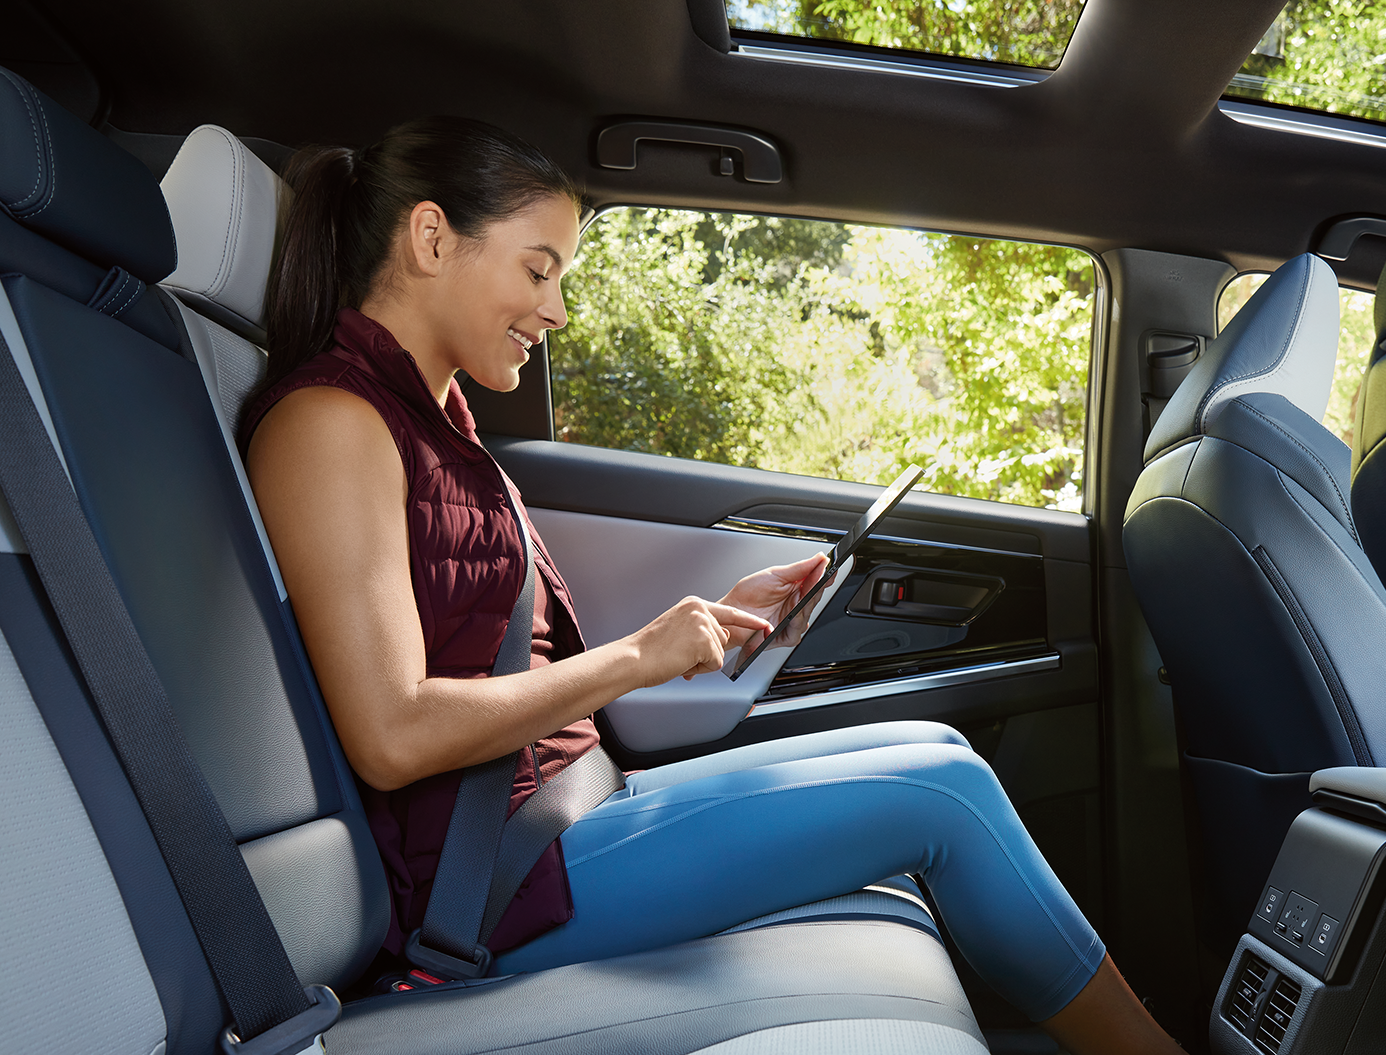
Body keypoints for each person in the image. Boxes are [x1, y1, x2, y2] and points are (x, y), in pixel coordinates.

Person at [240, 116, 1181, 1054]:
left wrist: (707, 623)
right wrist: (641, 657)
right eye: (538, 269)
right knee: (945, 794)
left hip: (568, 814)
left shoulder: (435, 419)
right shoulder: (332, 421)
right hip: (497, 884)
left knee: (936, 743)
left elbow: (485, 638)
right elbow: (393, 732)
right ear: (433, 238)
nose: (558, 309)